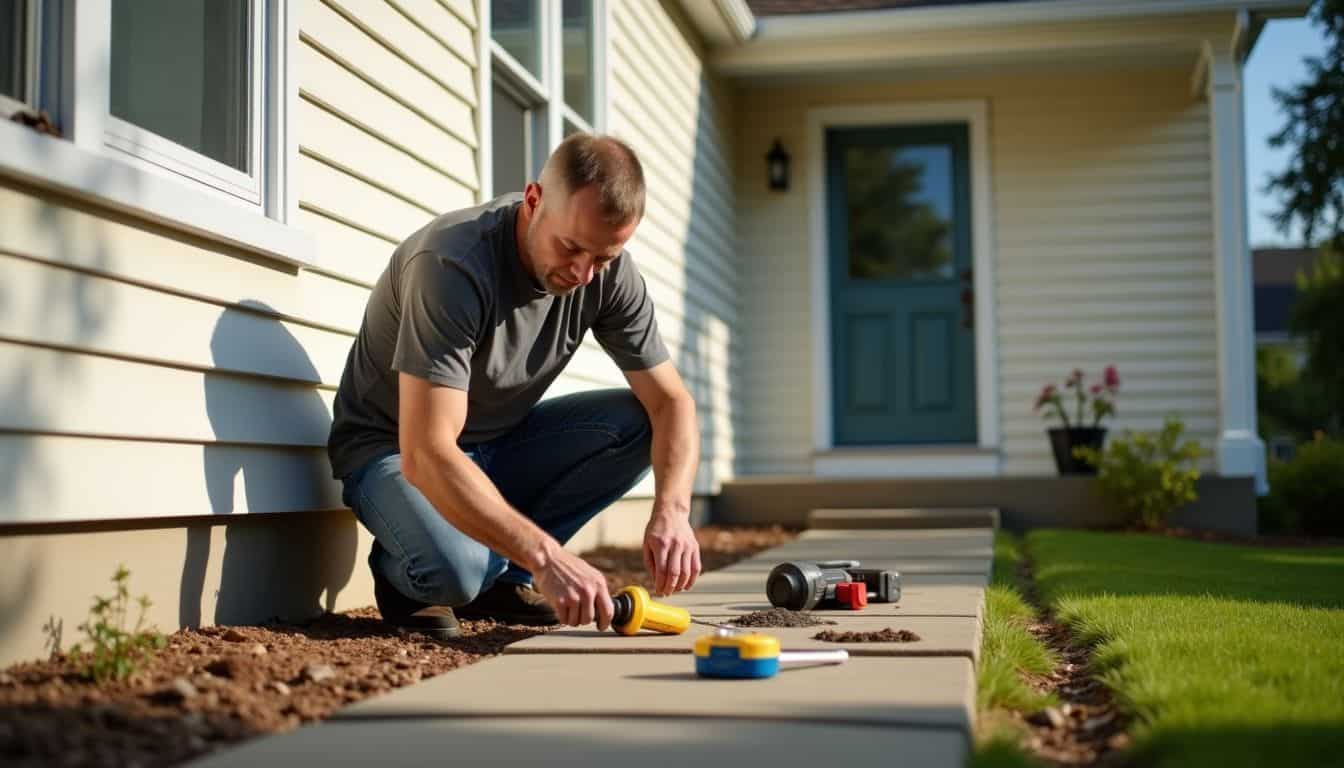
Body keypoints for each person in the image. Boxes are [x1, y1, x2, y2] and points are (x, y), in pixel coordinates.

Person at [326, 134, 703, 640]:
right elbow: (427, 451)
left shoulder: (604, 274)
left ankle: (508, 581)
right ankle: (411, 582)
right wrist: (549, 554)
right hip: (394, 451)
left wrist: (673, 512)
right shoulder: (452, 263)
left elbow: (671, 402)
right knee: (458, 569)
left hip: (493, 445)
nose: (583, 274)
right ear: (533, 201)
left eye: (604, 259)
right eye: (571, 247)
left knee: (636, 423)